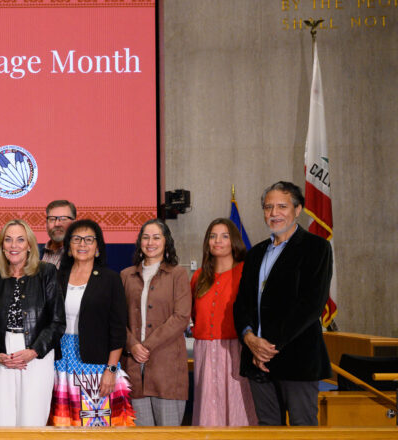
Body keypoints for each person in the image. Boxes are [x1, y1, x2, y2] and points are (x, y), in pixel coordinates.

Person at [233, 181, 333, 426]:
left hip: (296, 360)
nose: (274, 213)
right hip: (257, 363)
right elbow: (241, 304)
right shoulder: (255, 253)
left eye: (282, 206)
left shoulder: (316, 248)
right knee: (268, 435)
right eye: (268, 207)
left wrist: (267, 347)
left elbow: (311, 305)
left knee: (303, 430)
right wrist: (249, 340)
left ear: (297, 210)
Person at [0, 219, 64, 426]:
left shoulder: (47, 272)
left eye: (20, 240)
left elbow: (57, 321)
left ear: (29, 245)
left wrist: (34, 351)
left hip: (37, 354)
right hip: (2, 355)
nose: (13, 245)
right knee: (4, 420)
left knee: (32, 419)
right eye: (8, 240)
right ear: (1, 246)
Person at [50, 219, 134, 427]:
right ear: (69, 247)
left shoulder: (110, 279)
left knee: (96, 426)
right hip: (60, 362)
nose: (82, 244)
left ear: (97, 248)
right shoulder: (56, 277)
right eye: (77, 239)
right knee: (63, 425)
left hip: (96, 364)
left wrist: (111, 370)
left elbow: (117, 329)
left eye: (89, 240)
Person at [121, 219, 191, 426]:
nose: (150, 242)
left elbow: (181, 317)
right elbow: (117, 319)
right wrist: (132, 345)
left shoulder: (177, 274)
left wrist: (145, 346)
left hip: (167, 368)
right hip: (133, 366)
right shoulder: (126, 275)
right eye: (145, 237)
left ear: (166, 242)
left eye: (156, 237)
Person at [191, 218, 256, 426]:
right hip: (204, 349)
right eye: (213, 236)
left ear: (234, 241)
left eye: (224, 236)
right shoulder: (199, 277)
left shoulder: (246, 272)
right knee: (207, 408)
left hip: (236, 348)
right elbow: (193, 313)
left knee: (238, 405)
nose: (217, 241)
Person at [40, 199, 76, 266]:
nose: (57, 224)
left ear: (74, 223)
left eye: (63, 219)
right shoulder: (32, 252)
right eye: (52, 219)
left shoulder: (82, 254)